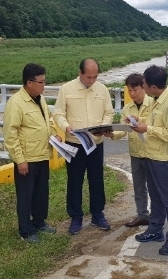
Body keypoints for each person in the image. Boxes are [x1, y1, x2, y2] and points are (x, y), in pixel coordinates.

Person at [53, 58, 115, 235]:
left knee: (96, 179)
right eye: (88, 77)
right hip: (75, 143)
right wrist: (66, 127)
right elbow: (58, 113)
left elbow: (109, 112)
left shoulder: (102, 89)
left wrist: (103, 126)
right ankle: (76, 217)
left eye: (95, 77)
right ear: (80, 73)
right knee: (75, 180)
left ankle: (97, 214)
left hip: (95, 143)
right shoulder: (66, 89)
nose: (92, 81)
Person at [3, 63, 61, 243]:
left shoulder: (40, 99)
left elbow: (47, 122)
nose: (44, 85)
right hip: (27, 159)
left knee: (41, 193)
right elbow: (10, 135)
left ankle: (39, 222)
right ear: (29, 82)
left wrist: (54, 136)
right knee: (26, 195)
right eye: (41, 82)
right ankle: (25, 231)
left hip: (42, 154)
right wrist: (20, 160)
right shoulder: (16, 103)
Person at [130, 65, 168, 256]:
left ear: (152, 86)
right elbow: (153, 122)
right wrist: (139, 121)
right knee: (156, 196)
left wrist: (148, 129)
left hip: (164, 159)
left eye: (143, 83)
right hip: (151, 155)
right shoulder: (156, 99)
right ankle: (155, 229)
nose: (141, 86)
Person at [106, 73, 153, 228]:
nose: (132, 94)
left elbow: (154, 124)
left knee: (155, 187)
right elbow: (123, 130)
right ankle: (142, 215)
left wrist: (140, 121)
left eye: (135, 90)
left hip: (152, 152)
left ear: (143, 88)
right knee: (139, 187)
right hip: (136, 152)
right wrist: (112, 133)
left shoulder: (153, 103)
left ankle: (157, 217)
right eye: (129, 90)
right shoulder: (128, 107)